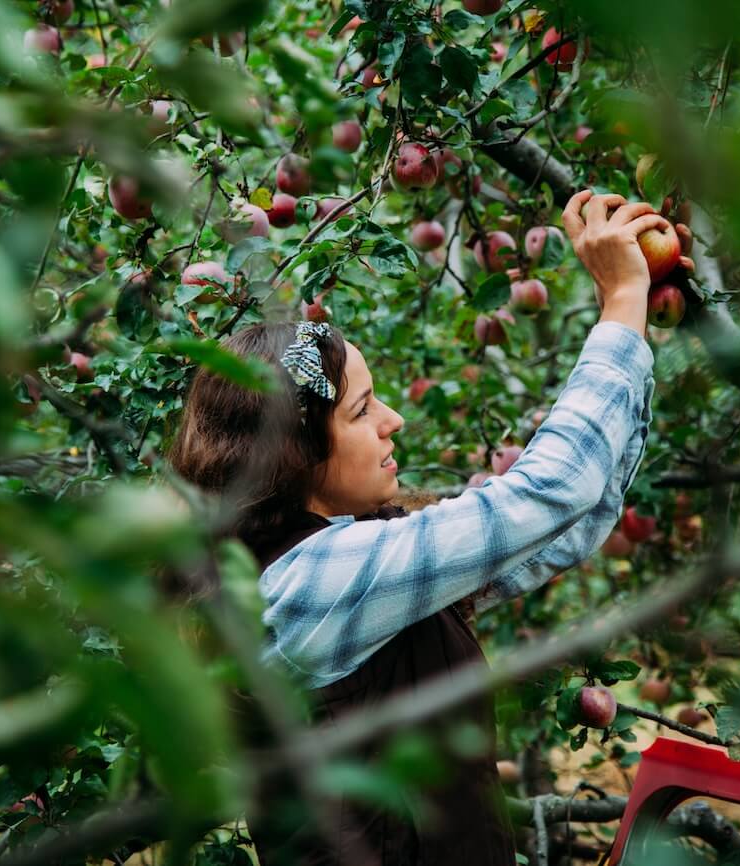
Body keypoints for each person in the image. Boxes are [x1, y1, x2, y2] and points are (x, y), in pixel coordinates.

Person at [168, 191, 686, 865]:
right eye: (360, 410)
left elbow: (568, 520)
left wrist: (630, 311)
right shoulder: (308, 583)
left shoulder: (346, 558)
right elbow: (554, 491)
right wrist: (619, 304)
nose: (393, 419)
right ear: (294, 453)